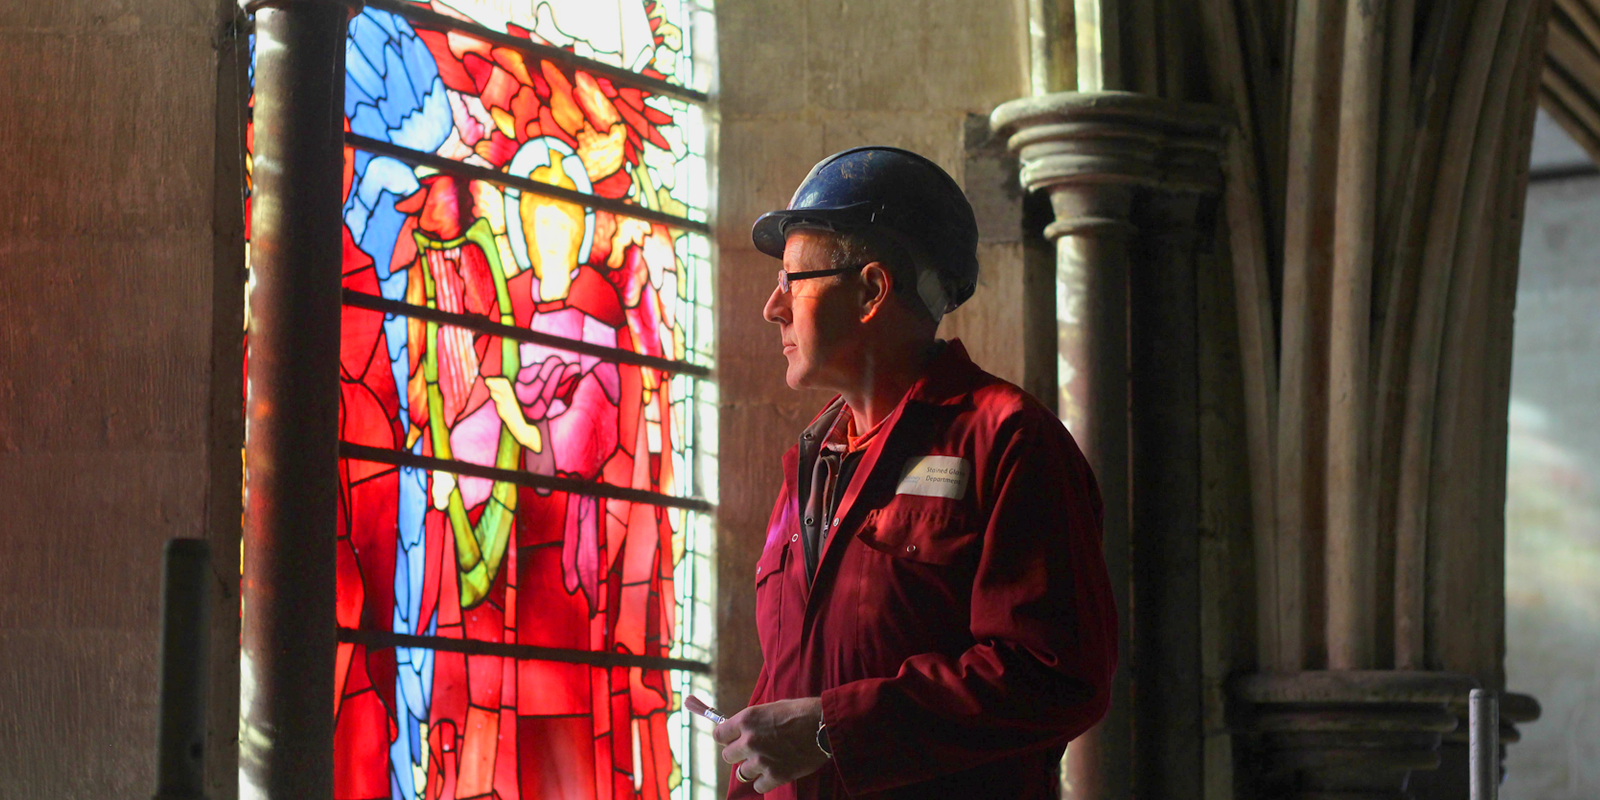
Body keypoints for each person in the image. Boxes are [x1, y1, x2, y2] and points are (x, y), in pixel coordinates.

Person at [711, 146, 1119, 799]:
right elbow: (786, 686)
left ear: (872, 289)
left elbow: (1056, 675)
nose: (772, 308)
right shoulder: (812, 467)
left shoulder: (1006, 438)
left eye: (793, 281)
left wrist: (829, 732)